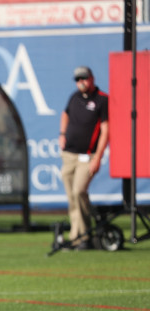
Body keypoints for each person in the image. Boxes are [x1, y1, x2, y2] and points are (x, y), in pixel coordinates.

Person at [59, 66, 109, 250]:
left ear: (92, 78)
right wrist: (62, 134)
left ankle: (83, 235)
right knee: (72, 197)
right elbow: (65, 114)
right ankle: (79, 236)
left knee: (79, 191)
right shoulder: (75, 97)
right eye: (78, 79)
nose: (81, 82)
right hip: (69, 154)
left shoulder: (102, 99)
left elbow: (105, 130)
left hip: (88, 156)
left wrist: (98, 157)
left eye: (84, 79)